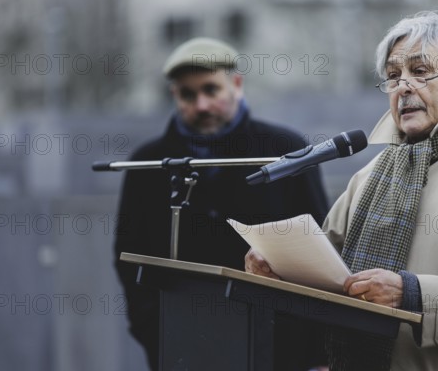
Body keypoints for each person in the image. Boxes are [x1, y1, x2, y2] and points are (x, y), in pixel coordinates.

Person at [246, 11, 438, 370]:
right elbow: (331, 272)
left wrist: (411, 295)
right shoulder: (371, 174)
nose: (403, 86)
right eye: (393, 76)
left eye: (421, 71)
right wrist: (280, 272)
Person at [114, 37, 329, 370]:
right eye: (188, 94)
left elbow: (319, 248)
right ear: (174, 95)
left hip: (279, 348)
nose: (201, 105)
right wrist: (154, 331)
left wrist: (316, 353)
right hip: (181, 347)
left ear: (237, 85)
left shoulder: (284, 150)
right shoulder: (148, 163)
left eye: (211, 89)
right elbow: (128, 257)